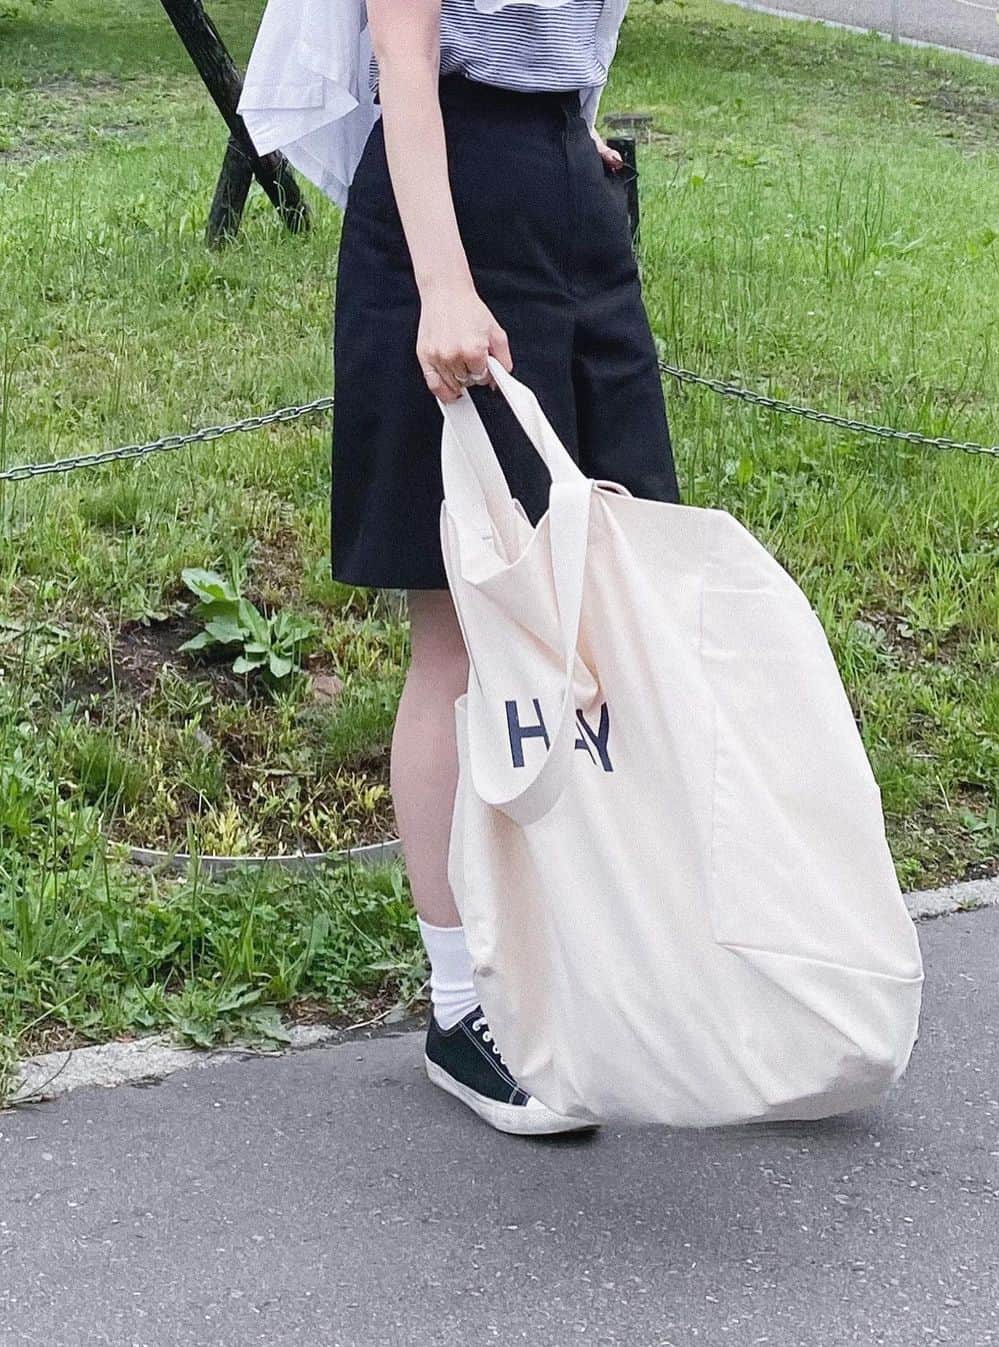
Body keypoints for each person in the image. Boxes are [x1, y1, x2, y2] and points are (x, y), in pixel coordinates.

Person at [246, 0, 682, 1135]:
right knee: (459, 621)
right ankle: (463, 1004)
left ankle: (589, 956)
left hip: (565, 186)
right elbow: (405, 51)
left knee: (610, 579)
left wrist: (569, 127)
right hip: (447, 194)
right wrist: (443, 286)